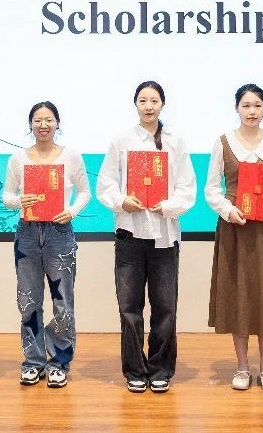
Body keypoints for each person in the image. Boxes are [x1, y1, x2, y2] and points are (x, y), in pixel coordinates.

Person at [97, 80, 197, 394]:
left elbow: (187, 187)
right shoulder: (121, 140)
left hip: (165, 235)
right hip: (130, 233)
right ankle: (135, 370)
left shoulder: (175, 141)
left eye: (154, 100)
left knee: (165, 306)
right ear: (136, 104)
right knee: (129, 308)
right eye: (143, 100)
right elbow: (105, 183)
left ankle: (161, 368)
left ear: (162, 104)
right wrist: (121, 201)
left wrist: (168, 206)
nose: (149, 106)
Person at [205, 83, 263, 393]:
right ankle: (242, 367)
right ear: (237, 108)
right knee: (240, 293)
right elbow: (212, 189)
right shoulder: (223, 142)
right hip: (236, 228)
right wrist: (227, 210)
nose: (252, 111)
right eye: (246, 105)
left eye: (257, 105)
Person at [1, 101, 90, 388]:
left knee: (62, 301)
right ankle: (33, 361)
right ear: (31, 124)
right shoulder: (18, 159)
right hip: (27, 233)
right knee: (28, 301)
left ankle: (59, 362)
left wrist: (71, 211)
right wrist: (20, 201)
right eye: (38, 120)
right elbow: (6, 196)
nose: (43, 125)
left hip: (59, 232)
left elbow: (85, 193)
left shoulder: (71, 156)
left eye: (48, 120)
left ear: (57, 123)